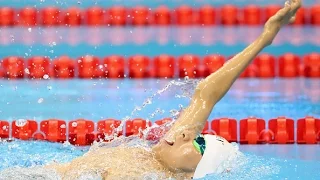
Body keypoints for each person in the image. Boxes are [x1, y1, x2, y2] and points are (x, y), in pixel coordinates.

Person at [0, 0, 301, 179]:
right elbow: (206, 94)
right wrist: (265, 38)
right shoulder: (162, 155)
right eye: (193, 134)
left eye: (196, 144)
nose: (184, 132)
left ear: (192, 170)